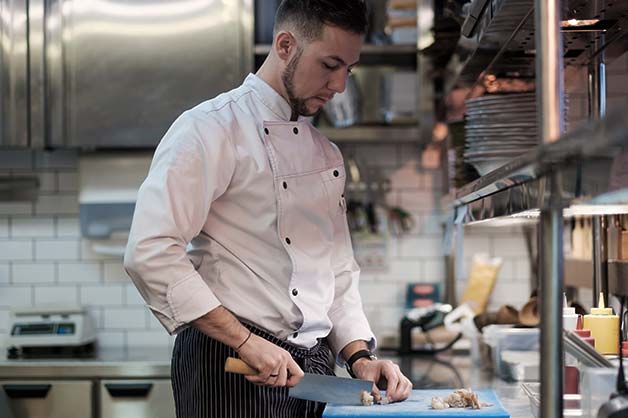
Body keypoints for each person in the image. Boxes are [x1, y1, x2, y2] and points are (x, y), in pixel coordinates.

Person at [123, 1, 412, 417]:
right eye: (330, 64)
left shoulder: (326, 154)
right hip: (230, 365)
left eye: (349, 68)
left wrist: (360, 358)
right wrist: (245, 341)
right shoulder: (210, 128)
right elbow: (149, 251)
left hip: (313, 369)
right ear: (285, 45)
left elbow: (336, 273)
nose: (340, 85)